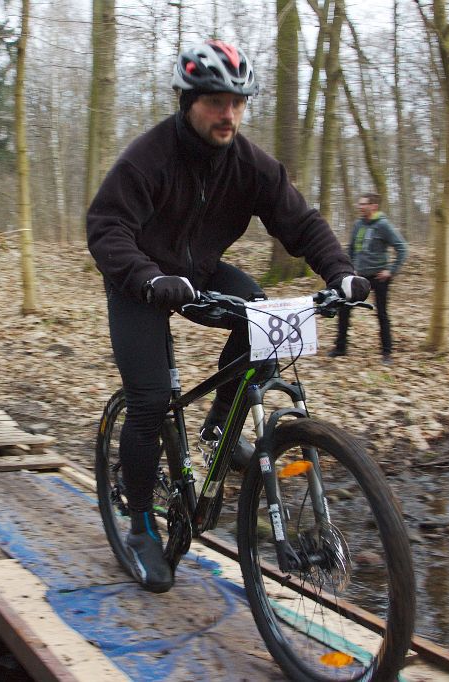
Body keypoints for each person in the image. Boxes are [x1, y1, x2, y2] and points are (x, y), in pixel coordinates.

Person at [86, 39, 370, 594]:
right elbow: (106, 228)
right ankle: (140, 525)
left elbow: (300, 222)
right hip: (138, 281)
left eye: (238, 103)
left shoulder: (251, 165)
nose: (229, 114)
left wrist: (341, 272)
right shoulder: (148, 157)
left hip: (201, 271)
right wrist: (147, 278)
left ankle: (220, 429)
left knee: (263, 321)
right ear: (188, 100)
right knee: (150, 401)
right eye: (216, 102)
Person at [328, 193, 408, 364]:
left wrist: (390, 271)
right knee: (344, 308)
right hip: (358, 277)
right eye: (360, 204)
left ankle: (387, 353)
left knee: (381, 313)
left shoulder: (383, 225)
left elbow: (402, 248)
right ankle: (340, 348)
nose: (360, 207)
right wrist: (349, 269)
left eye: (364, 204)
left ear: (374, 206)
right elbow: (351, 249)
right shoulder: (358, 225)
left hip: (379, 278)